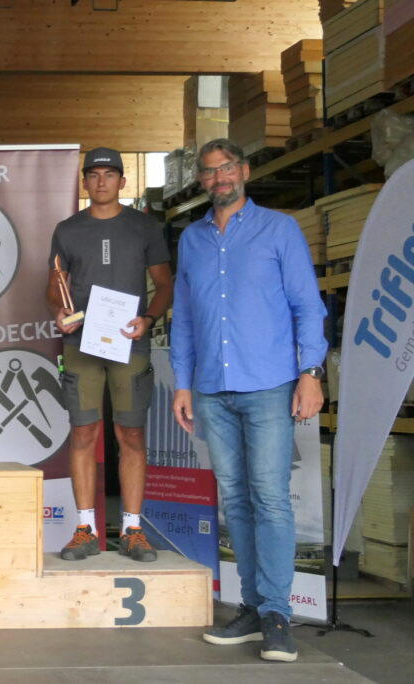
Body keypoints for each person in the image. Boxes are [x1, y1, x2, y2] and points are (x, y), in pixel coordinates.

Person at [171, 138, 327, 662]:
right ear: (202, 181)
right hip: (213, 390)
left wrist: (310, 372)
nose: (218, 179)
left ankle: (278, 614)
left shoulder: (279, 229)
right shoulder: (191, 240)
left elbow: (308, 305)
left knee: (271, 498)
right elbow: (186, 319)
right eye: (209, 173)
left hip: (268, 387)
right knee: (234, 500)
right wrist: (184, 383)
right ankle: (253, 606)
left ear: (245, 170)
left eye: (226, 169)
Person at [47, 148, 173, 563]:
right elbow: (56, 284)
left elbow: (164, 284)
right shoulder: (67, 229)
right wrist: (58, 311)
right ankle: (85, 528)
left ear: (123, 181)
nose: (101, 181)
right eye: (94, 175)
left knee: (131, 434)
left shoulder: (144, 227)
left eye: (110, 174)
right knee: (83, 433)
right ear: (84, 182)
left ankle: (133, 530)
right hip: (81, 344)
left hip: (128, 341)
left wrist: (149, 318)